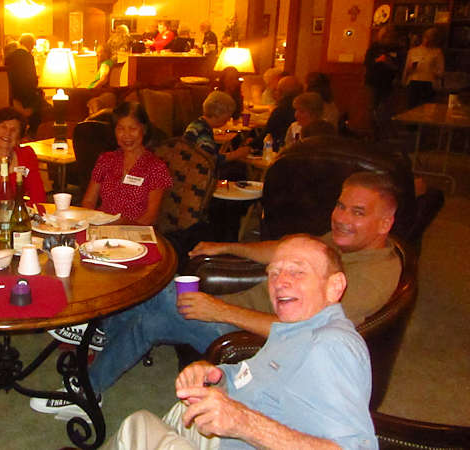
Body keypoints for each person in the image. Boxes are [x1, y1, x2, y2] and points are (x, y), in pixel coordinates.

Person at [32, 172, 401, 419]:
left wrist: (216, 310)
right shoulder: (342, 245)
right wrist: (228, 247)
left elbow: (303, 335)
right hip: (240, 314)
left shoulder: (370, 275)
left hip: (260, 342)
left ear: (385, 222)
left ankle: (88, 392)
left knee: (156, 313)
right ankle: (101, 334)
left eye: (357, 212)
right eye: (340, 206)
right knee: (158, 287)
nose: (341, 218)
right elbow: (281, 249)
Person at [103, 235, 377, 449]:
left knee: (136, 426)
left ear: (335, 286)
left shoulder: (331, 346)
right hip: (234, 434)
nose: (280, 282)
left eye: (297, 272)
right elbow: (253, 376)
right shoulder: (295, 328)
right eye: (274, 272)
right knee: (181, 411)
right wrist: (218, 377)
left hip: (245, 438)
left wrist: (242, 422)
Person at [81, 101, 172, 225]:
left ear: (144, 129)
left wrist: (121, 231)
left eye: (133, 128)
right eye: (120, 129)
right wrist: (90, 223)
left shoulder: (156, 167)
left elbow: (151, 216)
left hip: (135, 233)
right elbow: (89, 201)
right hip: (101, 229)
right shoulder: (106, 159)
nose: (127, 135)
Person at [183, 91, 250, 168]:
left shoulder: (197, 124)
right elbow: (210, 160)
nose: (229, 118)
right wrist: (236, 154)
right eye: (229, 114)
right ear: (218, 113)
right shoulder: (204, 132)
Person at [364, 25, 403, 140]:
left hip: (388, 83)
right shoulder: (374, 48)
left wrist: (389, 64)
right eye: (386, 35)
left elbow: (399, 67)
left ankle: (384, 134)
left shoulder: (397, 49)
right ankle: (373, 134)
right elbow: (367, 63)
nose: (388, 37)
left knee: (385, 109)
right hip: (373, 81)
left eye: (391, 35)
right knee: (372, 108)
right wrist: (378, 60)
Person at [5, 33, 45, 136]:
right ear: (31, 44)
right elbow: (31, 78)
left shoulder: (10, 56)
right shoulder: (28, 57)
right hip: (26, 94)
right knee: (42, 104)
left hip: (14, 94)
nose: (33, 47)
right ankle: (35, 133)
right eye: (33, 45)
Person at [403, 27, 444, 108]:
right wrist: (411, 68)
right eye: (427, 37)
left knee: (427, 109)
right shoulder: (413, 51)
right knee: (411, 108)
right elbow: (406, 70)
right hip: (414, 82)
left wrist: (433, 71)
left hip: (429, 83)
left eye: (431, 38)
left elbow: (441, 71)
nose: (428, 40)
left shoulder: (437, 52)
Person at [262, 75, 303, 152]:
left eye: (276, 90)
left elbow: (267, 134)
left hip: (277, 150)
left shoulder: (280, 111)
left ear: (281, 93)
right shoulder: (303, 109)